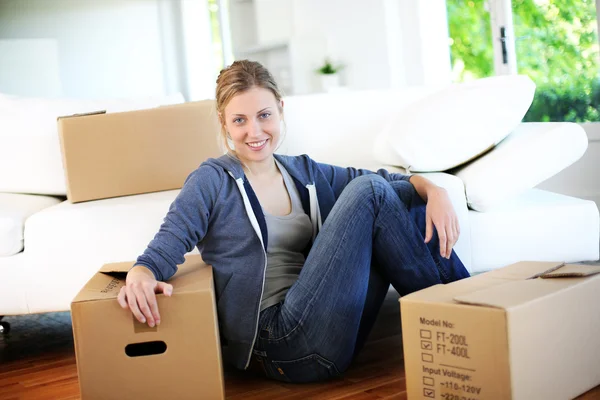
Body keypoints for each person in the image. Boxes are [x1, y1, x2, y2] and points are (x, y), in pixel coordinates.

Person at [117, 60, 470, 383]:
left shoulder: (302, 171)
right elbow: (164, 248)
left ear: (281, 111)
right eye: (239, 120)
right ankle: (469, 319)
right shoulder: (212, 181)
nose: (254, 131)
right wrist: (140, 276)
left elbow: (386, 182)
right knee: (370, 192)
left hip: (331, 329)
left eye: (264, 115)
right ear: (224, 123)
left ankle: (472, 313)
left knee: (398, 196)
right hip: (281, 343)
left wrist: (434, 189)